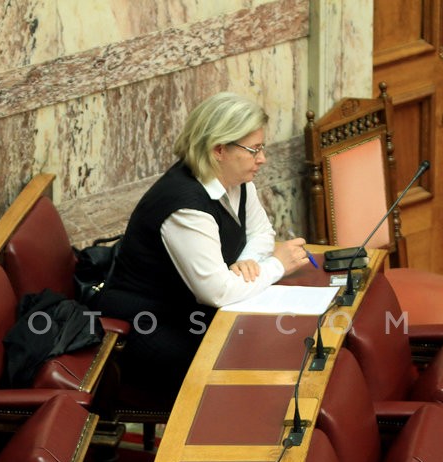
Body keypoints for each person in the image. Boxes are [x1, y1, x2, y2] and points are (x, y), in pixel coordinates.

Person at [95, 92, 311, 404]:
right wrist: (277, 266)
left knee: (283, 342)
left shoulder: (236, 180)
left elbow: (262, 232)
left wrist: (248, 262)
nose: (262, 158)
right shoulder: (184, 206)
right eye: (254, 149)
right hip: (149, 324)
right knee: (250, 363)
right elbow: (217, 292)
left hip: (192, 310)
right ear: (219, 150)